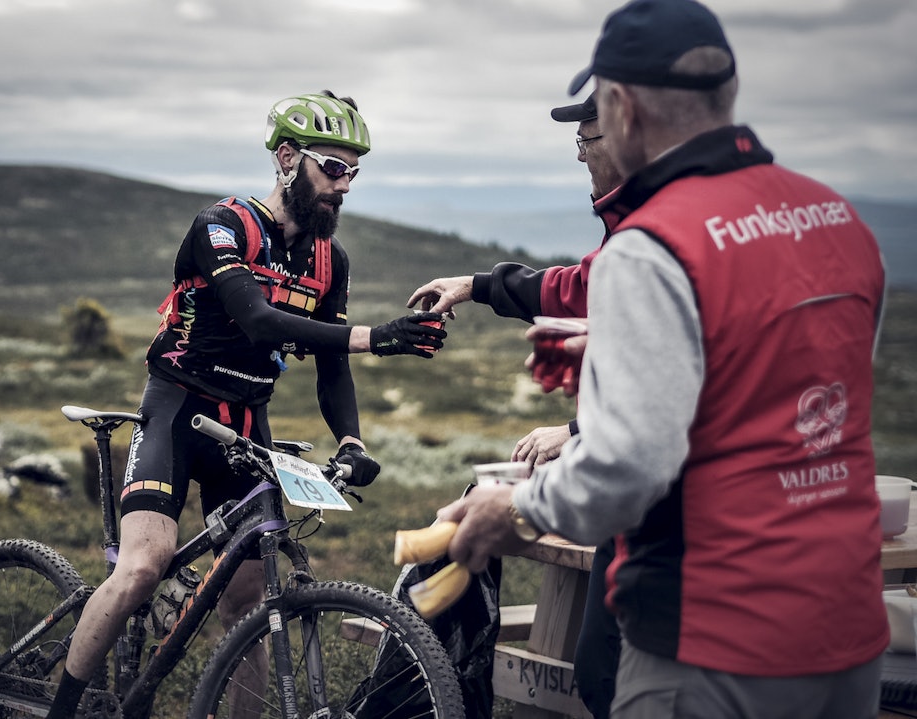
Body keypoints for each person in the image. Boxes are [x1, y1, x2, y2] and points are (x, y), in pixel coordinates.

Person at [438, 1, 889, 718]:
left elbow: (627, 470)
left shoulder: (652, 249)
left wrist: (513, 508)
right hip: (849, 631)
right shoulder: (837, 219)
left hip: (712, 644)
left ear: (620, 106)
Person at [46, 90, 447, 719]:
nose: (344, 186)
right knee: (143, 568)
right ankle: (61, 710)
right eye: (332, 168)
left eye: (354, 172)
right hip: (178, 409)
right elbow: (259, 320)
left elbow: (332, 366)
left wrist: (351, 442)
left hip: (245, 422)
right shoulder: (223, 225)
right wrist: (378, 337)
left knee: (252, 611)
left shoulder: (328, 259)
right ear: (287, 157)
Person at [407, 91, 624, 718]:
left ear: (632, 132)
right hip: (675, 523)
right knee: (604, 670)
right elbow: (580, 287)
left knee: (610, 675)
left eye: (588, 140)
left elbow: (688, 388)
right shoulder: (640, 228)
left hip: (689, 531)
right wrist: (477, 285)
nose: (581, 157)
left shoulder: (660, 232)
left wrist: (575, 438)